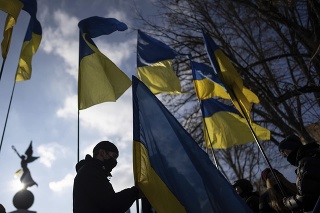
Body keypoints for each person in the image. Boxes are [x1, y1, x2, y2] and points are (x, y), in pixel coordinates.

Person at [73, 141, 140, 213]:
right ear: (102, 153)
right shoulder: (90, 172)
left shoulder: (93, 171)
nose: (115, 162)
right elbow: (111, 205)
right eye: (113, 156)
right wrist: (135, 192)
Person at [279, 134, 320, 212]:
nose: (284, 156)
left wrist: (288, 202)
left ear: (291, 147)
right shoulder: (312, 155)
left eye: (284, 151)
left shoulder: (306, 162)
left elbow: (305, 198)